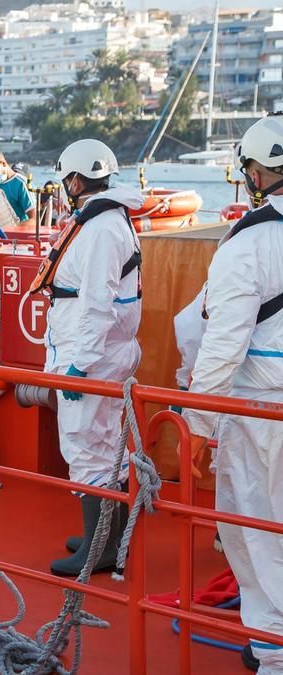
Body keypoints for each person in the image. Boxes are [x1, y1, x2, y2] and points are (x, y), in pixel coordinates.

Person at [183, 116, 283, 673]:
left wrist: (196, 427)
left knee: (257, 535)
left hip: (259, 413)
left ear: (256, 170)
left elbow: (222, 346)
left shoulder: (249, 242)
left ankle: (273, 657)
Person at [39, 138, 143, 577]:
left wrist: (79, 366)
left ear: (77, 180)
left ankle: (99, 550)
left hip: (94, 355)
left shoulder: (100, 228)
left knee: (84, 445)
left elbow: (99, 302)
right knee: (104, 444)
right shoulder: (106, 220)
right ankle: (107, 537)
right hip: (103, 349)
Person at [0, 148, 34, 228]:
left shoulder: (20, 184)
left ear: (3, 164)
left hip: (16, 233)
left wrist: (12, 230)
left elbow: (34, 220)